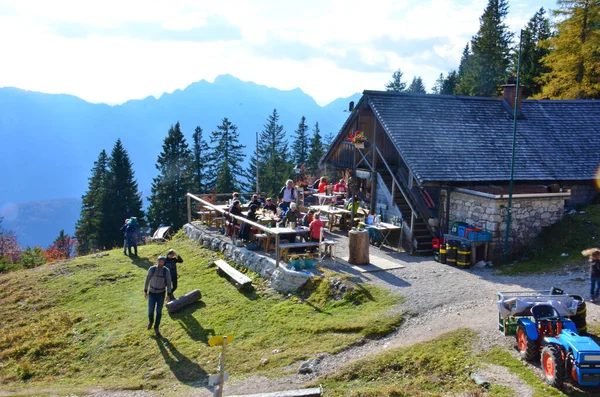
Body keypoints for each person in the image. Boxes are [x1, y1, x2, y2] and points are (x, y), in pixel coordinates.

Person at [144, 255, 173, 337]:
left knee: (159, 311)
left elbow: (169, 283)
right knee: (150, 310)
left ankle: (156, 327)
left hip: (161, 293)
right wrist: (145, 290)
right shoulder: (152, 269)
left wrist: (169, 294)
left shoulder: (166, 271)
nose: (161, 263)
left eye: (163, 262)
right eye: (160, 261)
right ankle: (151, 321)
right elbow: (147, 279)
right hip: (152, 293)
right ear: (157, 261)